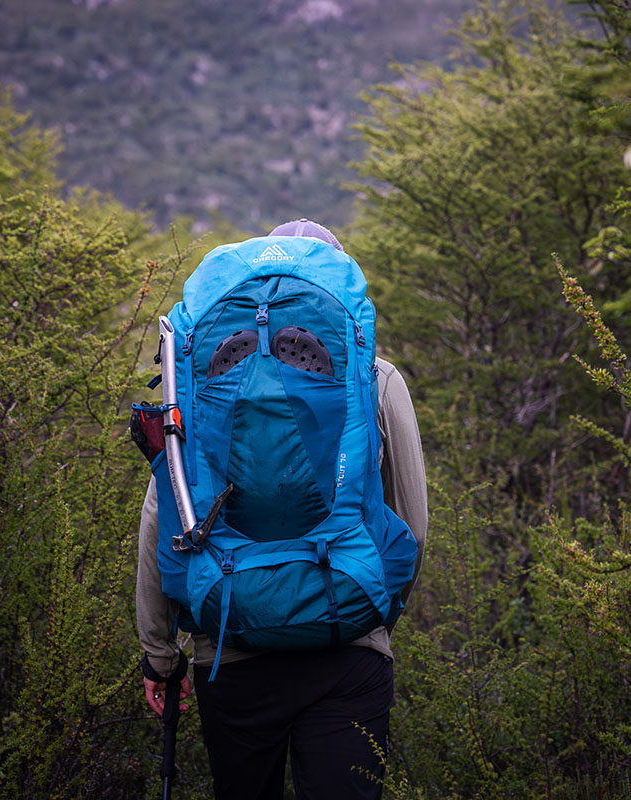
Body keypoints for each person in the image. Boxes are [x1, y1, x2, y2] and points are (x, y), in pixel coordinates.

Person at [136, 219, 428, 800]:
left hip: (231, 643)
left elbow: (163, 515)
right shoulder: (375, 376)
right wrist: (374, 612)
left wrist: (160, 655)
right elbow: (413, 519)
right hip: (348, 646)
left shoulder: (202, 377)